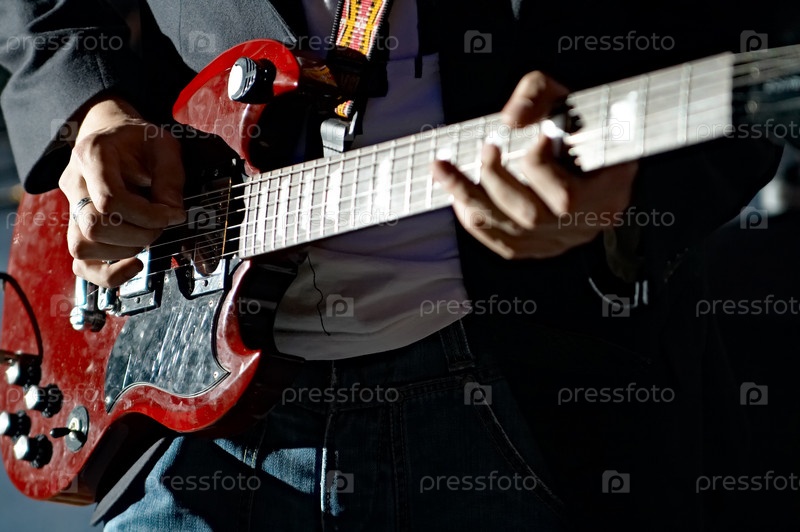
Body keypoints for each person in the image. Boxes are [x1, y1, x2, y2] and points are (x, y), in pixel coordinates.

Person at [0, 0, 790, 530]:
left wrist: (623, 202)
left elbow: (746, 32)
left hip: (534, 398)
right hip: (195, 413)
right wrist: (88, 112)